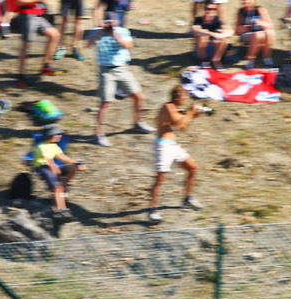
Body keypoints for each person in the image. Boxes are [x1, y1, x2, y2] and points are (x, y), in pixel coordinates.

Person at [86, 12, 154, 148]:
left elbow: (129, 46)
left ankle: (138, 122)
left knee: (138, 96)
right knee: (105, 103)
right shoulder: (96, 31)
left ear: (116, 21)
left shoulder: (123, 31)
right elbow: (88, 44)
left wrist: (114, 34)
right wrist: (100, 32)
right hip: (106, 70)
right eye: (107, 22)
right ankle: (99, 134)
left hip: (122, 69)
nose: (109, 25)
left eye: (111, 22)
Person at [148, 86, 203, 224]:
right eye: (185, 95)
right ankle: (153, 210)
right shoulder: (168, 106)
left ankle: (188, 199)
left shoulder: (175, 108)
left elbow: (183, 124)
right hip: (163, 146)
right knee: (160, 179)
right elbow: (180, 125)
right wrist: (190, 112)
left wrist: (194, 115)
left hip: (173, 145)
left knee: (192, 168)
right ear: (178, 97)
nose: (187, 98)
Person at [32, 124, 85, 218]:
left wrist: (77, 163)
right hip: (43, 167)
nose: (60, 136)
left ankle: (63, 186)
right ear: (51, 135)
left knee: (71, 168)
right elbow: (49, 161)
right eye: (58, 134)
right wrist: (56, 171)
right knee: (58, 187)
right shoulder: (42, 146)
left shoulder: (53, 146)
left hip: (52, 166)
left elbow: (63, 157)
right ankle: (60, 210)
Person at [13, 0, 61, 87]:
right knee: (26, 45)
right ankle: (21, 76)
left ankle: (46, 66)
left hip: (38, 15)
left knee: (55, 35)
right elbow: (19, 2)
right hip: (26, 15)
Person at [192, 1, 233, 70]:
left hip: (214, 49)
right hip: (201, 50)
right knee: (203, 36)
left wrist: (222, 35)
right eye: (208, 9)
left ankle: (216, 61)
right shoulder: (199, 20)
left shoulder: (217, 20)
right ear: (204, 9)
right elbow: (195, 30)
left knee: (224, 38)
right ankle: (204, 61)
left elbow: (230, 30)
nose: (210, 11)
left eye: (213, 9)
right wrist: (212, 34)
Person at [235, 0, 274, 69]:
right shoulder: (241, 11)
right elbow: (237, 31)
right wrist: (247, 27)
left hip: (261, 33)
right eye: (243, 0)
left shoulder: (260, 9)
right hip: (247, 34)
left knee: (270, 32)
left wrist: (261, 23)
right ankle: (250, 60)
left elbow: (270, 25)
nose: (246, 1)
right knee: (256, 35)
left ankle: (267, 58)